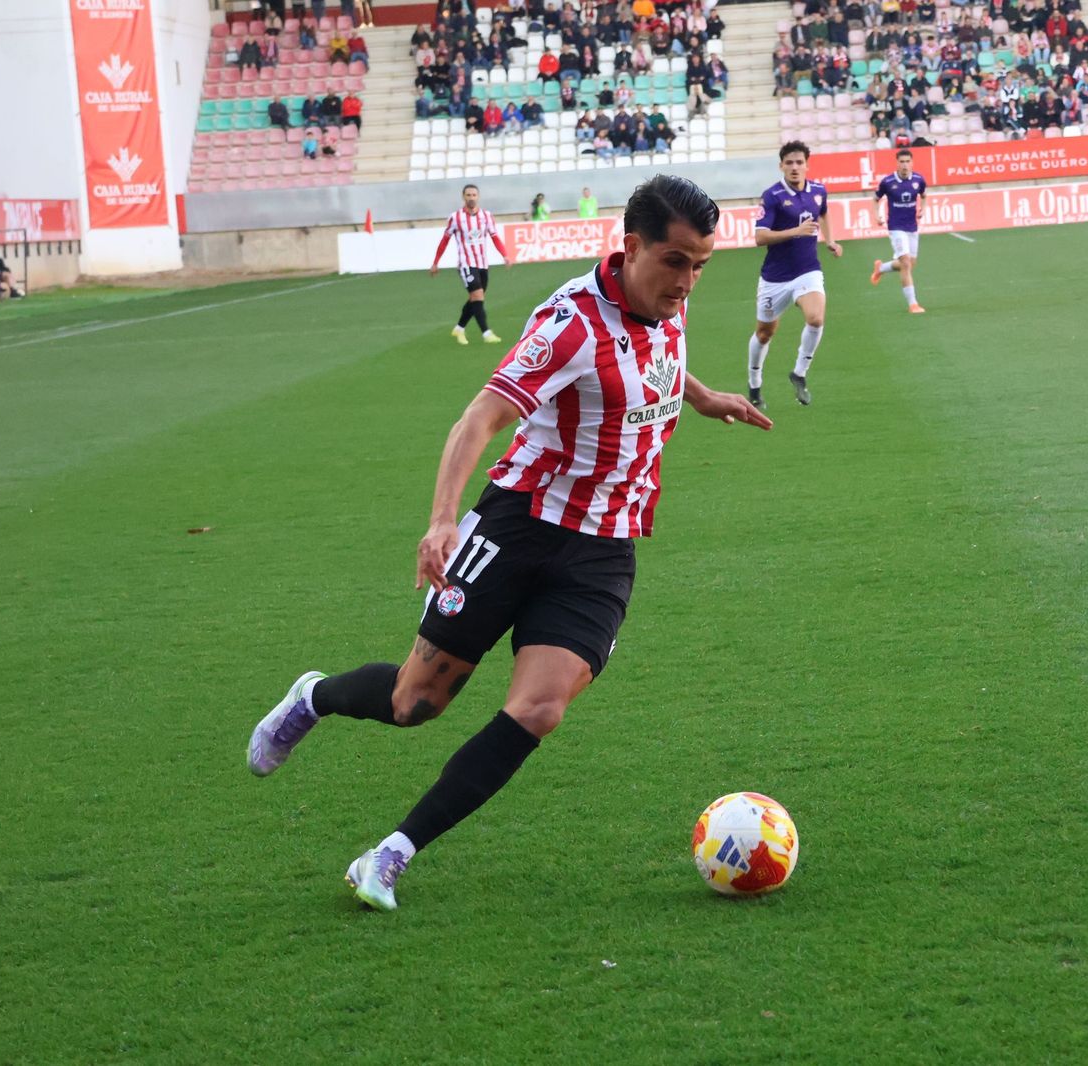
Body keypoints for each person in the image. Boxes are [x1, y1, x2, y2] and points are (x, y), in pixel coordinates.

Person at [246, 177, 772, 912]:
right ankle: (313, 697)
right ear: (631, 248)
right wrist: (441, 519)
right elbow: (478, 421)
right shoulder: (567, 324)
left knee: (539, 708)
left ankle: (389, 855)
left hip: (602, 552)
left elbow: (653, 357)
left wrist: (702, 394)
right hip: (517, 526)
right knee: (415, 703)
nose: (688, 282)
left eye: (701, 266)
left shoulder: (664, 301)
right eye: (676, 262)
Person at [746, 140, 842, 410]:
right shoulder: (772, 196)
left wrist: (830, 240)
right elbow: (759, 237)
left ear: (807, 165)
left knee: (816, 318)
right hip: (775, 278)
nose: (795, 167)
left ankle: (799, 373)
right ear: (781, 166)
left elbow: (823, 213)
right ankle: (754, 383)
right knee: (765, 333)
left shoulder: (819, 191)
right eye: (789, 162)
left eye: (799, 162)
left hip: (807, 270)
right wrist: (795, 232)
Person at [430, 184, 512, 345]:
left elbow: (494, 236)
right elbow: (444, 240)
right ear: (463, 197)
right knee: (477, 295)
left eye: (474, 195)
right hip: (466, 263)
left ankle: (459, 329)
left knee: (475, 298)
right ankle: (486, 333)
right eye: (468, 195)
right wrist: (435, 262)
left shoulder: (487, 216)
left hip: (482, 264)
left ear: (478, 197)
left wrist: (505, 255)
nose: (471, 198)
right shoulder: (455, 217)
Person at [868, 149, 928, 313]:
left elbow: (923, 196)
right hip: (896, 227)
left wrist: (922, 210)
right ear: (897, 163)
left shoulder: (918, 180)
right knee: (906, 263)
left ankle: (881, 268)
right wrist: (876, 215)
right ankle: (913, 304)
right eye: (901, 162)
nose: (905, 165)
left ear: (912, 162)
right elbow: (875, 199)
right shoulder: (887, 182)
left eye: (907, 161)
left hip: (912, 227)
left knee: (909, 263)